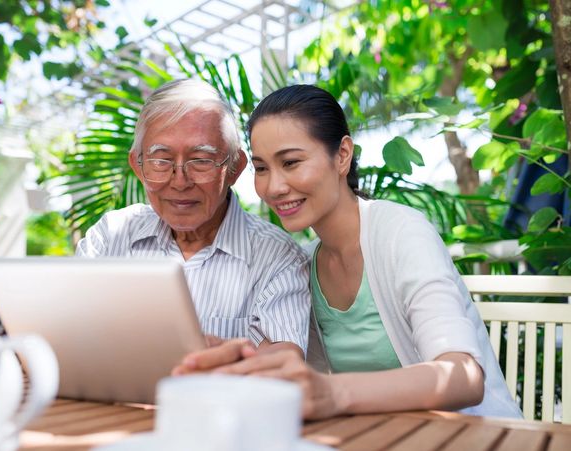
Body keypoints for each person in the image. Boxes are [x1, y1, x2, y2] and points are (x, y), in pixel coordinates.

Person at [173, 84, 522, 420]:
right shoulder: (304, 263)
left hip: (475, 438)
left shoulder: (400, 232)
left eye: (291, 162)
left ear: (341, 155)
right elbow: (299, 380)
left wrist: (334, 391)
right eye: (262, 168)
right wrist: (239, 362)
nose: (274, 186)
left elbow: (463, 377)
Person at [76, 79, 310, 356]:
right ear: (138, 167)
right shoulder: (109, 237)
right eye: (161, 161)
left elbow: (282, 365)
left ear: (234, 168)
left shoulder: (276, 257)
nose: (180, 182)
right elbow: (64, 330)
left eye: (201, 160)